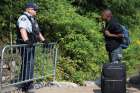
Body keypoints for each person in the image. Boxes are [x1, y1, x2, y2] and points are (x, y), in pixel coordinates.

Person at [16, 2, 48, 92]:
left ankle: (28, 82)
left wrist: (44, 40)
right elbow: (22, 29)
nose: (36, 11)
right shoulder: (23, 18)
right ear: (29, 9)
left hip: (31, 44)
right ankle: (26, 86)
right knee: (27, 63)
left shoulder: (32, 19)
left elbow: (37, 32)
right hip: (25, 44)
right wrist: (26, 40)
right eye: (35, 9)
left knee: (30, 63)